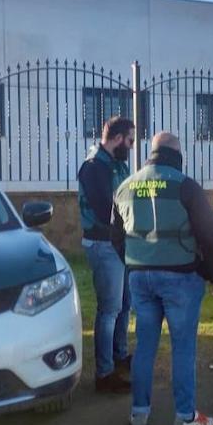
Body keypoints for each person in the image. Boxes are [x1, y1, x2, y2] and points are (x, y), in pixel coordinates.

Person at [115, 131, 213, 425]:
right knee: (183, 347)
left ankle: (139, 415)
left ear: (152, 152)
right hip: (181, 278)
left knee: (145, 346)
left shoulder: (125, 186)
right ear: (177, 153)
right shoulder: (185, 186)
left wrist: (136, 259)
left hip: (139, 276)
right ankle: (186, 418)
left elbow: (115, 235)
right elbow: (210, 235)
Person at [77, 116, 135, 393]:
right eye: (131, 140)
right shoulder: (93, 168)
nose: (132, 146)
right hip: (103, 245)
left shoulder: (117, 165)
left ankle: (120, 355)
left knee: (125, 305)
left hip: (121, 245)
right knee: (110, 309)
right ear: (118, 138)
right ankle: (104, 373)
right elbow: (105, 209)